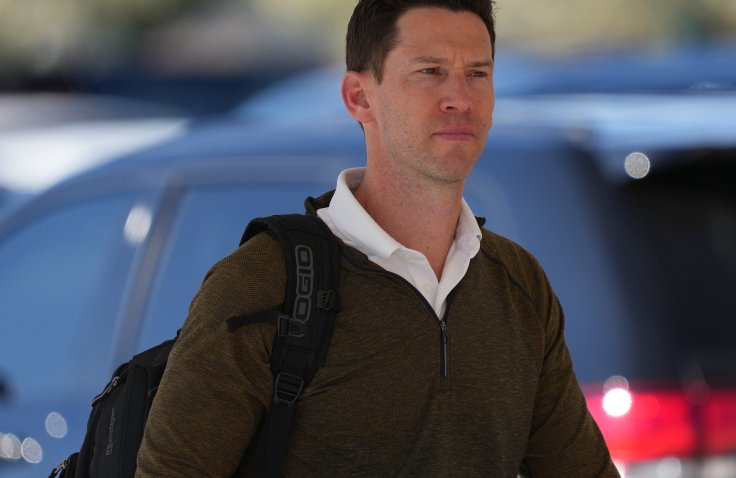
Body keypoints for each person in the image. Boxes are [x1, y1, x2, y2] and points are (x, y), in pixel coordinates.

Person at [137, 0, 619, 476]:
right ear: (359, 98)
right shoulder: (265, 282)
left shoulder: (518, 284)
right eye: (429, 71)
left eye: (478, 73)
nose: (460, 98)